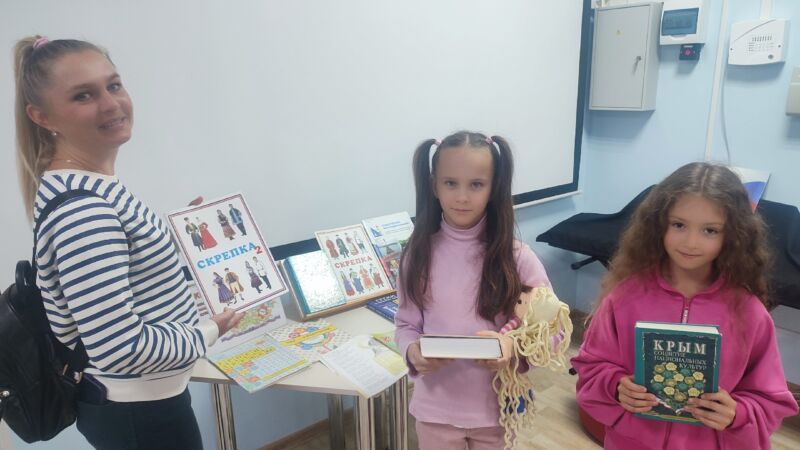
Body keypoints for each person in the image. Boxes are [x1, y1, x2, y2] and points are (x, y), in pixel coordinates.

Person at [13, 35, 244, 450]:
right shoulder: (85, 211)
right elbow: (121, 347)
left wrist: (174, 239)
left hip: (143, 405)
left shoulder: (92, 186)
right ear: (41, 116)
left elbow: (120, 265)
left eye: (113, 85)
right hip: (139, 414)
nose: (111, 104)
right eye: (84, 95)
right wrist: (209, 330)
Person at [571, 162, 799, 450]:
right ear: (658, 224)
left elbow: (770, 400)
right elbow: (590, 368)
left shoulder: (749, 312)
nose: (691, 243)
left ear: (733, 235)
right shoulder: (625, 297)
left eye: (710, 230)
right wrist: (616, 387)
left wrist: (737, 413)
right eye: (678, 225)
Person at [394, 131, 551, 450]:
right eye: (451, 183)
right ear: (434, 186)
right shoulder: (417, 254)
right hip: (434, 410)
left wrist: (512, 348)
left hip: (496, 410)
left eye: (476, 184)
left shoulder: (518, 257)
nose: (462, 197)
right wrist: (411, 351)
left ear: (494, 188)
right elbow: (406, 324)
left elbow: (552, 329)